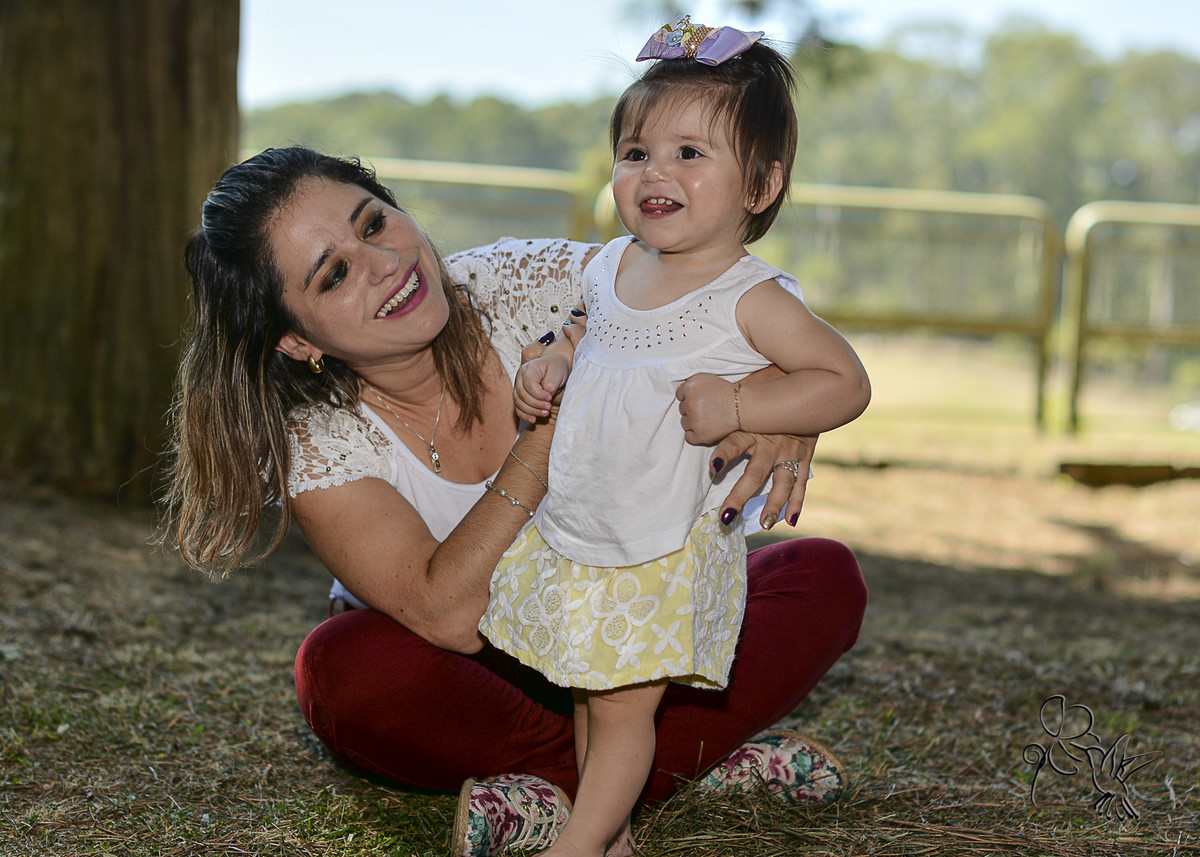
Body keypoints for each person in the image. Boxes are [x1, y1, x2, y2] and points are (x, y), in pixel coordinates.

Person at [159, 147, 866, 857]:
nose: (382, 264)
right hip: (488, 678)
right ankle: (674, 765)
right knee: (342, 671)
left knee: (821, 577)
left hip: (634, 629)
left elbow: (717, 293)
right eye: (334, 274)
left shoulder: (524, 280)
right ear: (294, 337)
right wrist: (545, 431)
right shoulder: (314, 440)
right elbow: (448, 614)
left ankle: (559, 798)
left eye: (373, 223)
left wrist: (778, 402)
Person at [474, 15, 870, 857]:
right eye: (636, 152)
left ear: (760, 184)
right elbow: (582, 337)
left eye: (692, 154)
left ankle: (576, 847)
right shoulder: (611, 266)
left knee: (622, 708)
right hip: (587, 527)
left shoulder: (748, 296)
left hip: (661, 545)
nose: (657, 171)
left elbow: (844, 381)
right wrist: (548, 365)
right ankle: (609, 841)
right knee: (591, 692)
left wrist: (740, 407)